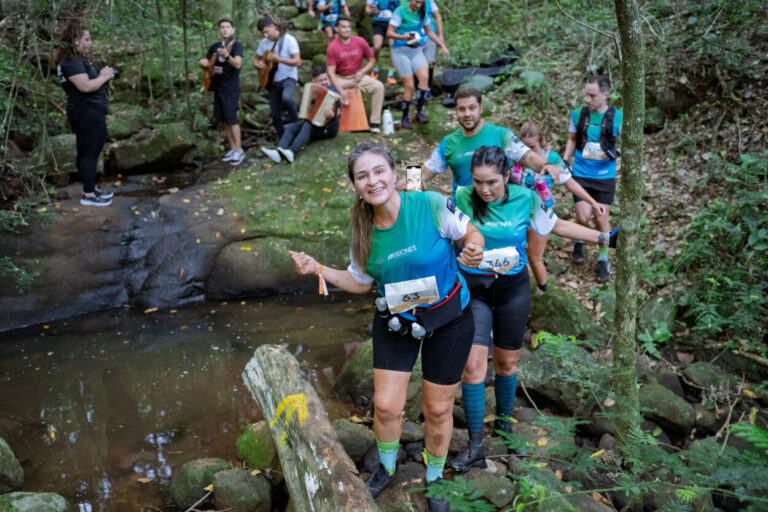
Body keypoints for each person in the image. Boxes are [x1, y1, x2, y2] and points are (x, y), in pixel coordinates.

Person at [289, 142, 485, 511]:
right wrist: (318, 269)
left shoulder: (429, 204)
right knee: (385, 406)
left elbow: (470, 235)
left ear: (394, 174)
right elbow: (360, 281)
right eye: (362, 176)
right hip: (396, 321)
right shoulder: (362, 231)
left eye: (379, 171)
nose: (373, 180)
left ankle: (435, 477)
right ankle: (388, 467)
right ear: (355, 185)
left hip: (449, 319)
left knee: (438, 408)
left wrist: (474, 247)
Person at [448, 145, 617, 473]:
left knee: (507, 363)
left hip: (512, 290)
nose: (484, 189)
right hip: (474, 289)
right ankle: (476, 445)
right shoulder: (462, 197)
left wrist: (604, 238)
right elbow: (440, 231)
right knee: (473, 367)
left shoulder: (525, 198)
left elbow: (557, 226)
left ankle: (504, 425)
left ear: (506, 176)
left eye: (492, 182)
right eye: (479, 181)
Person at [513, 122, 607, 293]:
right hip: (515, 212)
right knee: (517, 255)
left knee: (534, 257)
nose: (528, 151)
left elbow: (569, 183)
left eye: (532, 147)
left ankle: (542, 292)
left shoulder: (552, 159)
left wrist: (593, 202)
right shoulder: (514, 157)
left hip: (540, 213)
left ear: (540, 140)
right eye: (524, 147)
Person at [422, 87, 562, 197]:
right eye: (462, 109)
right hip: (462, 213)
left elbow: (527, 156)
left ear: (481, 108)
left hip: (498, 213)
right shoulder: (449, 142)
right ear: (456, 111)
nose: (467, 114)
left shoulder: (501, 135)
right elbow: (427, 170)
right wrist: (411, 182)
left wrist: (546, 165)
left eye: (472, 108)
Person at [563, 75, 623, 283]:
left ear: (605, 94)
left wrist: (617, 152)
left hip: (604, 176)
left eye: (593, 96)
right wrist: (565, 158)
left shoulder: (617, 117)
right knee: (582, 216)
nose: (588, 99)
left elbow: (630, 143)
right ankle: (578, 240)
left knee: (601, 217)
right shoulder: (578, 114)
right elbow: (572, 139)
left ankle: (603, 259)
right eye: (586, 95)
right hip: (581, 173)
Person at [55, 20, 116, 206]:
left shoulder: (75, 60)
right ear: (76, 41)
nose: (90, 43)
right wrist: (104, 77)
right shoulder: (71, 61)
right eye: (87, 39)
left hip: (89, 111)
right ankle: (88, 195)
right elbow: (85, 86)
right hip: (86, 112)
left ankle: (90, 188)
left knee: (90, 150)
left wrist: (104, 76)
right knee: (89, 152)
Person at [387, 0, 449, 128]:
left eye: (421, 2)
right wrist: (404, 37)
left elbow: (429, 32)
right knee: (409, 86)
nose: (419, 5)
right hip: (400, 50)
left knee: (424, 78)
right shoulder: (400, 11)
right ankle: (405, 117)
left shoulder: (423, 11)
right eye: (417, 2)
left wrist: (442, 45)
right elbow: (389, 33)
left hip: (416, 50)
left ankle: (419, 112)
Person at [260, 66, 341, 163]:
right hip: (313, 125)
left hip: (328, 129)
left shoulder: (334, 92)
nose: (324, 82)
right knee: (292, 127)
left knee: (308, 125)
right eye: (321, 80)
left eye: (325, 79)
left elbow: (339, 112)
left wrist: (332, 115)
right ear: (314, 81)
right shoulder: (311, 90)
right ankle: (279, 151)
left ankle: (292, 152)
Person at [199, 18, 245, 166]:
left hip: (230, 88)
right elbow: (207, 62)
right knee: (223, 119)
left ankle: (239, 150)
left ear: (232, 30)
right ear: (219, 30)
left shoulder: (236, 45)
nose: (225, 30)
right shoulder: (214, 46)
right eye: (222, 27)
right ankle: (233, 148)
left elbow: (237, 64)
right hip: (217, 87)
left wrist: (227, 56)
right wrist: (203, 63)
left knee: (232, 119)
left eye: (228, 27)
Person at [326, 16, 385, 132]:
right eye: (343, 27)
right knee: (327, 89)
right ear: (337, 29)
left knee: (379, 86)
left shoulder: (360, 41)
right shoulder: (332, 47)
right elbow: (330, 73)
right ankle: (331, 123)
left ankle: (374, 123)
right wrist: (340, 91)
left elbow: (372, 60)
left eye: (348, 27)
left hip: (358, 77)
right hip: (341, 78)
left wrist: (362, 72)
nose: (347, 29)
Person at [254, 17, 301, 139]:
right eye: (263, 33)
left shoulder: (289, 40)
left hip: (288, 77)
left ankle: (297, 126)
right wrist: (259, 65)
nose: (266, 35)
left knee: (287, 98)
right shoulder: (263, 43)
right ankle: (283, 138)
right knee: (275, 113)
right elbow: (256, 59)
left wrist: (279, 60)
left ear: (272, 26)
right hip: (272, 81)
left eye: (266, 32)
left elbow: (297, 61)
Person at [365, 0, 400, 84]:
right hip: (379, 23)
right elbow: (367, 9)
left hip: (393, 23)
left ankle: (390, 74)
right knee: (377, 46)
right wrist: (371, 11)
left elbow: (403, 5)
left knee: (392, 47)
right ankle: (375, 69)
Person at [420, 0, 443, 100]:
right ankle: (419, 89)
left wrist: (441, 35)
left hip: (430, 36)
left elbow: (437, 16)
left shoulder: (430, 2)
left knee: (429, 63)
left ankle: (427, 89)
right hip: (414, 37)